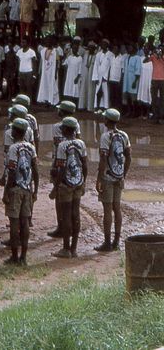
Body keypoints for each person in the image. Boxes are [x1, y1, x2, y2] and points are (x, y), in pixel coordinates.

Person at [2, 118, 38, 266]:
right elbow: (35, 169)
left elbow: (11, 172)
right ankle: (23, 257)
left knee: (14, 223)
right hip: (27, 188)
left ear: (14, 132)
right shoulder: (31, 147)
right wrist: (35, 189)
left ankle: (14, 257)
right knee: (25, 223)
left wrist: (6, 192)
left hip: (15, 188)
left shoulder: (13, 148)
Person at [95, 109, 131, 252]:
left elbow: (103, 159)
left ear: (107, 121)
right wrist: (123, 174)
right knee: (117, 208)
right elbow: (129, 157)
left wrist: (99, 177)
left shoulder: (105, 136)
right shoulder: (124, 135)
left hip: (108, 177)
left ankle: (107, 242)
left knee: (107, 210)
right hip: (119, 176)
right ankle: (116, 241)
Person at [51, 117, 87, 258]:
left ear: (65, 129)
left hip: (65, 184)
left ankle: (66, 248)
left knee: (66, 215)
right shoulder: (81, 144)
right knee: (75, 214)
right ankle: (74, 248)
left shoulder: (62, 145)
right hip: (78, 182)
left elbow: (61, 168)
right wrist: (83, 181)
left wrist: (56, 186)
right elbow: (84, 165)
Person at [48, 101, 78, 238]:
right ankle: (71, 226)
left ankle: (62, 227)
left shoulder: (57, 127)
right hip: (74, 164)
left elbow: (57, 145)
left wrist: (55, 168)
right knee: (74, 201)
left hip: (59, 163)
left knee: (59, 197)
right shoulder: (76, 125)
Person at [37, 37, 61, 105]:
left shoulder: (56, 51)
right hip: (45, 72)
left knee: (52, 86)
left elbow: (57, 63)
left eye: (49, 41)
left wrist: (55, 73)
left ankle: (52, 101)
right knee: (45, 86)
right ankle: (46, 100)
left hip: (52, 72)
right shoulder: (43, 51)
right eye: (47, 41)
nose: (48, 43)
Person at [93, 39, 113, 113]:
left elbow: (110, 67)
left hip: (105, 76)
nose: (103, 45)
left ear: (107, 45)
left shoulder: (110, 54)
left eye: (104, 44)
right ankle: (97, 107)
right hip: (98, 75)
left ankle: (105, 107)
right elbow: (95, 66)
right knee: (97, 92)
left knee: (105, 92)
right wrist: (95, 77)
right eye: (102, 44)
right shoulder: (98, 54)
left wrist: (106, 76)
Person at [62, 37, 83, 104]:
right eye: (73, 49)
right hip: (69, 75)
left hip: (76, 76)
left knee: (75, 90)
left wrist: (77, 77)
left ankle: (75, 103)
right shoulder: (70, 57)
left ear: (77, 50)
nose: (74, 50)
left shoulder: (80, 58)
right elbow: (64, 64)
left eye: (75, 49)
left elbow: (80, 69)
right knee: (68, 89)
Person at [123, 44, 141, 117]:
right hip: (126, 79)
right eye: (128, 48)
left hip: (133, 79)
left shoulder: (137, 58)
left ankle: (135, 113)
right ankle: (129, 112)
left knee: (133, 96)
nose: (129, 49)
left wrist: (135, 81)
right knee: (127, 96)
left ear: (134, 49)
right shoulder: (127, 57)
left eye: (130, 48)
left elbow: (138, 70)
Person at [79, 41, 98, 112]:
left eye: (92, 48)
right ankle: (82, 106)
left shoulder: (96, 56)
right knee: (83, 90)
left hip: (92, 76)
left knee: (91, 91)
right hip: (84, 75)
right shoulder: (85, 55)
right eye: (89, 47)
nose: (90, 49)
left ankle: (89, 107)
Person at [147, 46, 164, 123]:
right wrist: (151, 54)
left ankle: (161, 117)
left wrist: (160, 57)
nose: (159, 50)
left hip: (162, 80)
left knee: (162, 99)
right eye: (158, 49)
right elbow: (145, 61)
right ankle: (155, 116)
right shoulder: (153, 56)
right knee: (154, 99)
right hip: (154, 80)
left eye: (161, 49)